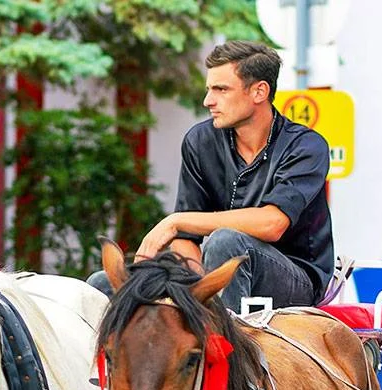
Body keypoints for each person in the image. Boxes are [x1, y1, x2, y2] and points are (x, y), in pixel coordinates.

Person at [88, 41, 335, 311]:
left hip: (296, 278)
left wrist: (176, 221)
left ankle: (224, 338)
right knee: (103, 283)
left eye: (221, 89)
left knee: (225, 241)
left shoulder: (306, 146)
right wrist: (197, 285)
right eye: (209, 89)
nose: (208, 101)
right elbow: (185, 239)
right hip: (218, 268)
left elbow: (272, 223)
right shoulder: (200, 141)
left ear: (259, 91)